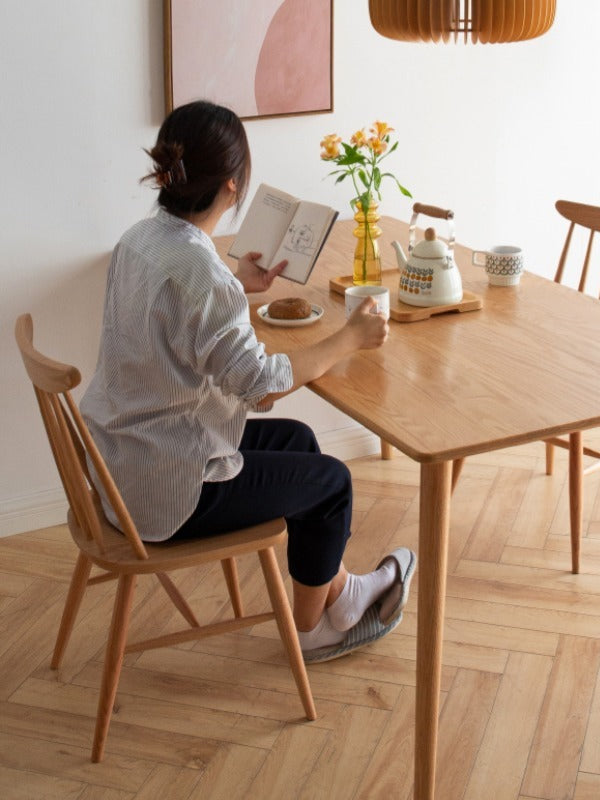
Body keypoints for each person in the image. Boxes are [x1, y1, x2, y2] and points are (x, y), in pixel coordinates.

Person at [80, 100, 416, 663]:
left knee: (300, 444)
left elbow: (181, 309)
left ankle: (343, 595)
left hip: (119, 461)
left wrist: (240, 279)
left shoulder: (139, 240)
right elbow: (259, 386)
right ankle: (315, 631)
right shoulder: (203, 273)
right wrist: (348, 340)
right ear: (233, 186)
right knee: (332, 482)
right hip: (163, 496)